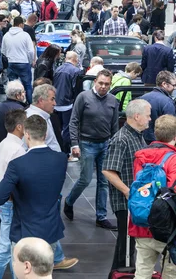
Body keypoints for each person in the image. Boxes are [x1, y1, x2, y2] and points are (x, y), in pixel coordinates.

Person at [0, 115, 76, 270]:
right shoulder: (61, 159)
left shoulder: (17, 164)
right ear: (45, 135)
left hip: (25, 232)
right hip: (50, 230)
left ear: (27, 135)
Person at [65, 69, 119, 230]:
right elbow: (73, 121)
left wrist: (114, 145)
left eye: (107, 84)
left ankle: (101, 216)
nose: (103, 86)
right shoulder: (83, 97)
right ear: (95, 81)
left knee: (104, 182)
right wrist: (74, 144)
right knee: (86, 179)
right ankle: (69, 201)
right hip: (86, 143)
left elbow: (115, 126)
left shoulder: (113, 100)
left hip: (105, 144)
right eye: (101, 83)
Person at [101, 99, 151, 271]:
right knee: (125, 246)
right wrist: (128, 192)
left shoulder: (137, 135)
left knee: (128, 244)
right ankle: (119, 274)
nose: (150, 119)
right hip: (126, 203)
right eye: (148, 116)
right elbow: (107, 170)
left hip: (135, 200)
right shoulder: (121, 139)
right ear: (137, 116)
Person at [129, 115, 176, 278]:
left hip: (141, 223)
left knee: (142, 271)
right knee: (171, 272)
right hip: (167, 228)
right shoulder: (174, 159)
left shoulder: (141, 156)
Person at [0, 109, 27, 279]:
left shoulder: (3, 144)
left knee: (12, 247)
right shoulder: (18, 149)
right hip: (11, 201)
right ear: (19, 126)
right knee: (5, 247)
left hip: (4, 200)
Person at [0, 80, 27, 165]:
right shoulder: (20, 110)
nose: (25, 94)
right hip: (14, 153)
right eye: (23, 92)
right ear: (17, 95)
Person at [53, 51, 81, 151]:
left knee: (58, 128)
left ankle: (59, 147)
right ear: (75, 60)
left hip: (56, 103)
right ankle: (65, 150)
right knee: (67, 129)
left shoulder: (57, 69)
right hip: (67, 104)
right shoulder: (76, 71)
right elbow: (75, 89)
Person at [2, 16, 35, 104]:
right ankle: (30, 104)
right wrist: (30, 61)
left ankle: (13, 104)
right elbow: (31, 51)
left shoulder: (6, 36)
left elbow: (3, 51)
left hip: (11, 63)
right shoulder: (25, 35)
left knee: (12, 87)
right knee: (27, 85)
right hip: (23, 62)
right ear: (21, 24)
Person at [139, 70, 176, 144]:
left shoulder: (142, 98)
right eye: (174, 85)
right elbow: (171, 128)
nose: (175, 88)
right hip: (160, 144)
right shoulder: (167, 102)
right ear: (164, 84)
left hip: (141, 141)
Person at [25, 84, 61, 153]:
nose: (55, 103)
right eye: (52, 99)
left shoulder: (44, 115)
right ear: (41, 100)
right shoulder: (33, 119)